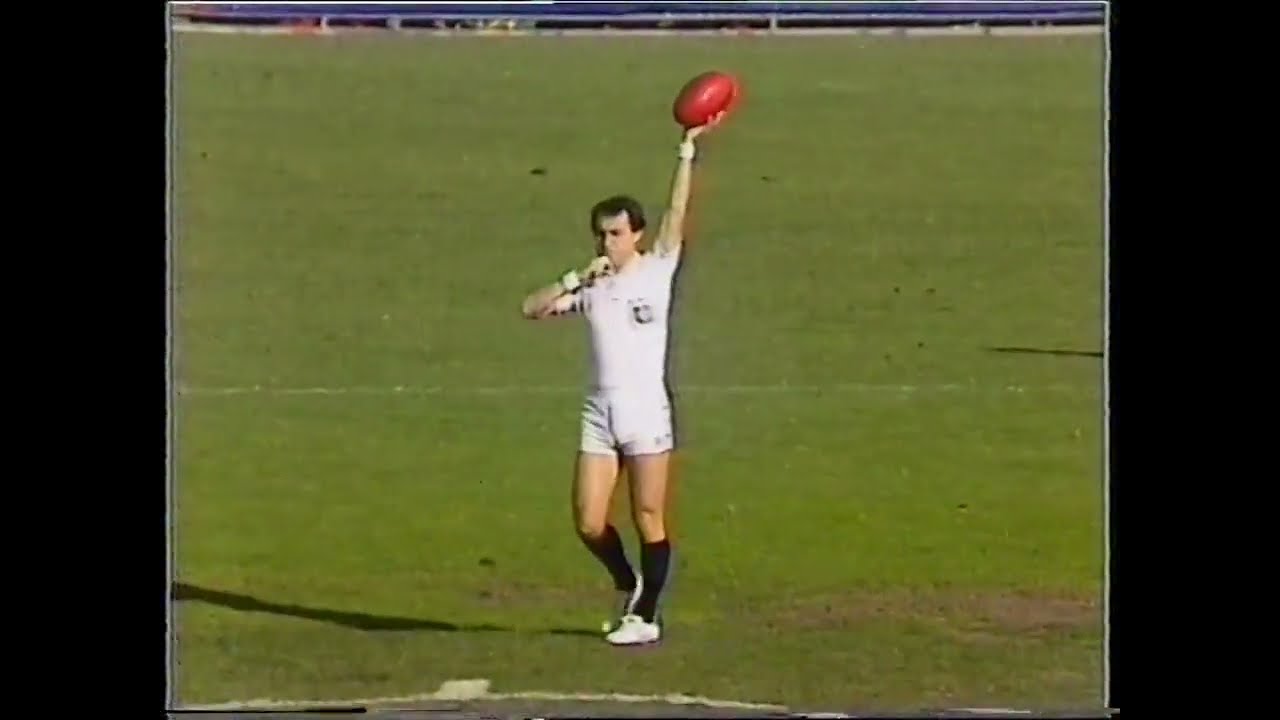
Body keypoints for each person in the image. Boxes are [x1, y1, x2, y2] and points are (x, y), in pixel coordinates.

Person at [519, 115, 723, 646]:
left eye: (616, 233)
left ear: (636, 235)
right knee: (589, 522)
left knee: (648, 514)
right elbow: (531, 308)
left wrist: (686, 151)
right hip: (599, 414)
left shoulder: (656, 271)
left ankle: (646, 616)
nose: (607, 242)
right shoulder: (592, 285)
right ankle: (629, 583)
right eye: (601, 234)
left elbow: (677, 213)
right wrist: (574, 278)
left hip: (645, 412)